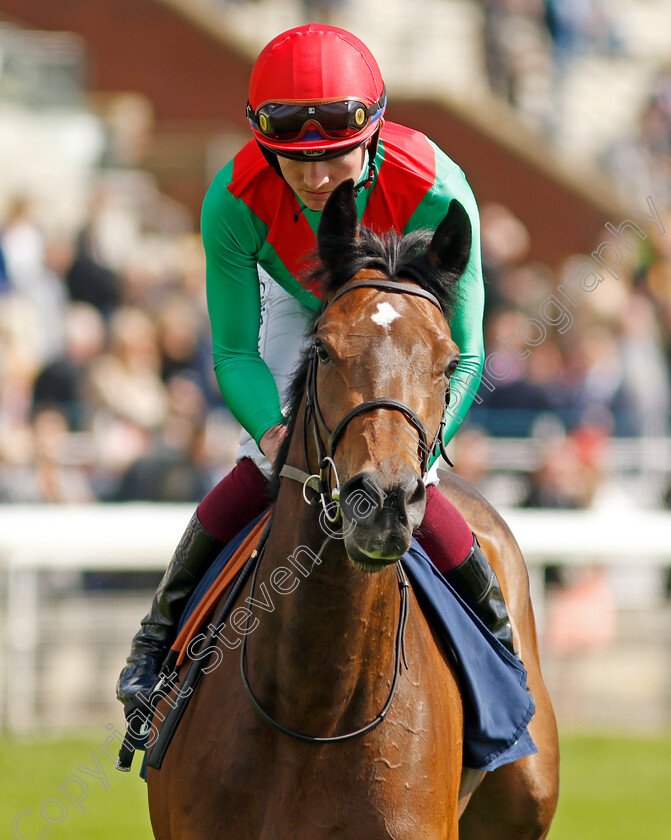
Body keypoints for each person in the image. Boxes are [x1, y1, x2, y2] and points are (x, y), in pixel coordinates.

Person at [117, 22, 512, 717]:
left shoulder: (438, 191)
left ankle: (501, 647)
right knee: (265, 459)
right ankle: (155, 644)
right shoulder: (232, 202)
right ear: (262, 143)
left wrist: (421, 446)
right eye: (293, 161)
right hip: (298, 300)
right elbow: (236, 353)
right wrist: (272, 435)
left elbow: (468, 352)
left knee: (409, 469)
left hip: (398, 302)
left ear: (374, 134)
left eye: (335, 156)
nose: (316, 177)